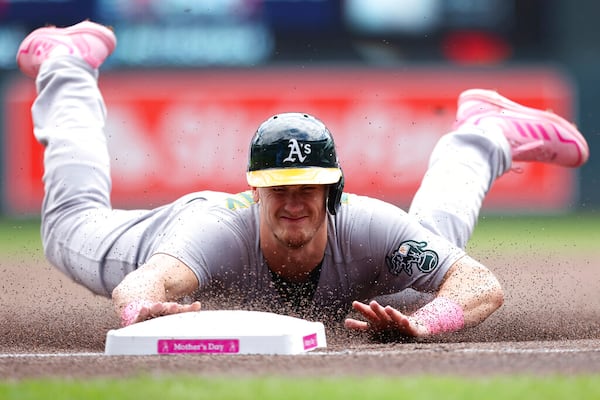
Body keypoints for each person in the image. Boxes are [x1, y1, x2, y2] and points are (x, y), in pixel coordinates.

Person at [16, 20, 589, 339]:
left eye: (308, 185)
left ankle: (482, 134)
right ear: (255, 188)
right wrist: (144, 309)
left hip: (355, 285)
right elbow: (146, 285)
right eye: (278, 185)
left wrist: (424, 323)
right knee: (66, 226)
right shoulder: (212, 231)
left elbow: (480, 283)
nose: (293, 200)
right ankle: (68, 62)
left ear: (332, 191)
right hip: (151, 243)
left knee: (431, 253)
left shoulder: (370, 225)